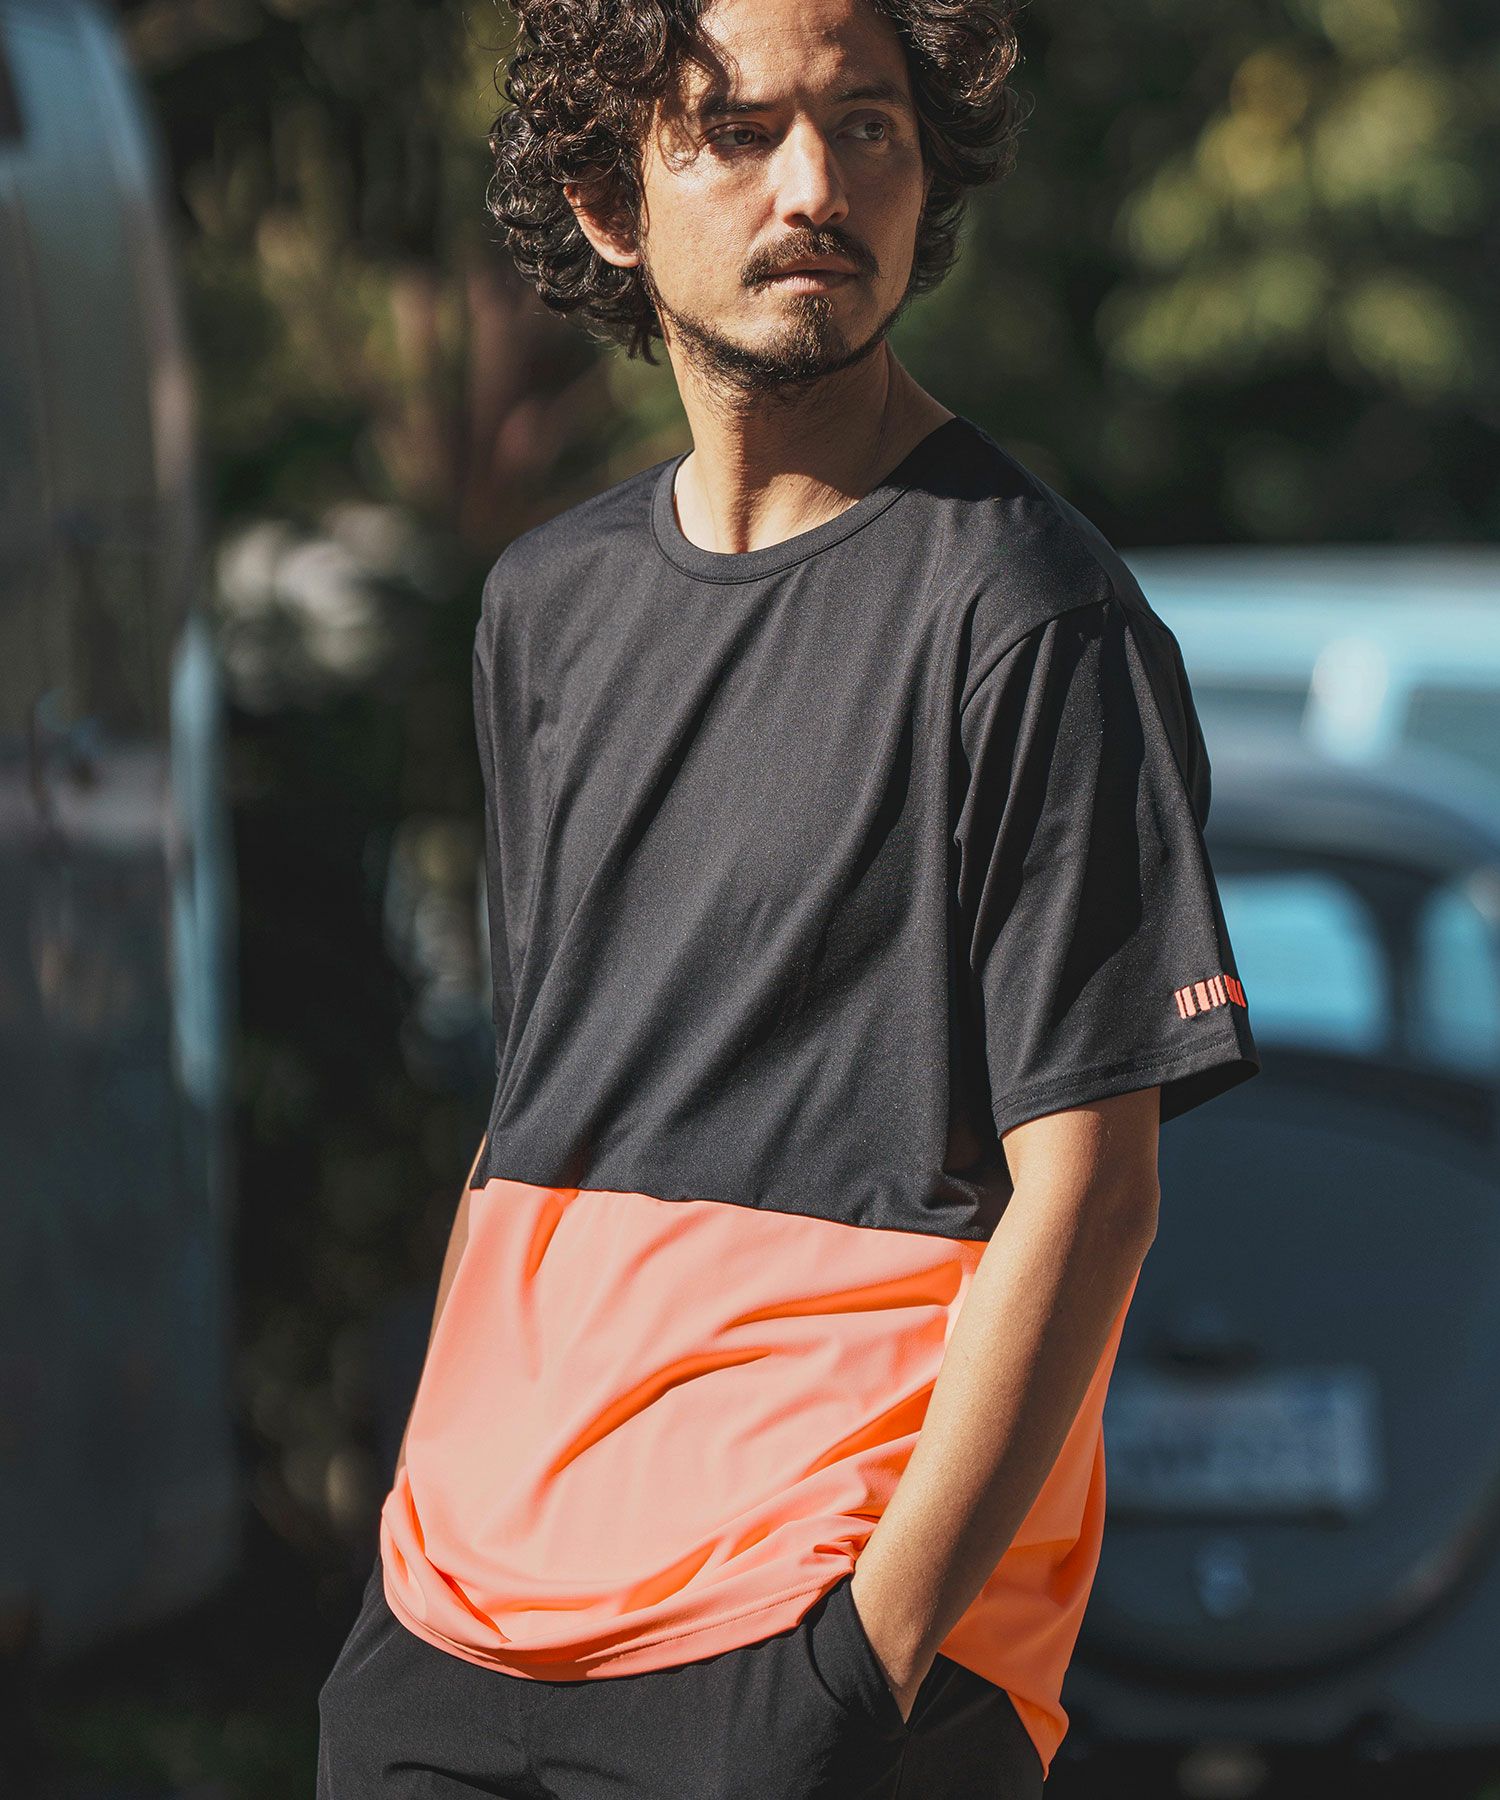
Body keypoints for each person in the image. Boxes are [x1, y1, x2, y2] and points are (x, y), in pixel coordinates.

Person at [316, 0, 1260, 1792]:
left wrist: (866, 1653)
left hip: (802, 1640)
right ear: (608, 201)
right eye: (738, 131)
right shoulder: (546, 608)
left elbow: (1095, 1196)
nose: (815, 186)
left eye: (868, 126)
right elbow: (539, 1117)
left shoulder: (1034, 615)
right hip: (457, 1617)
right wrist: (412, 1530)